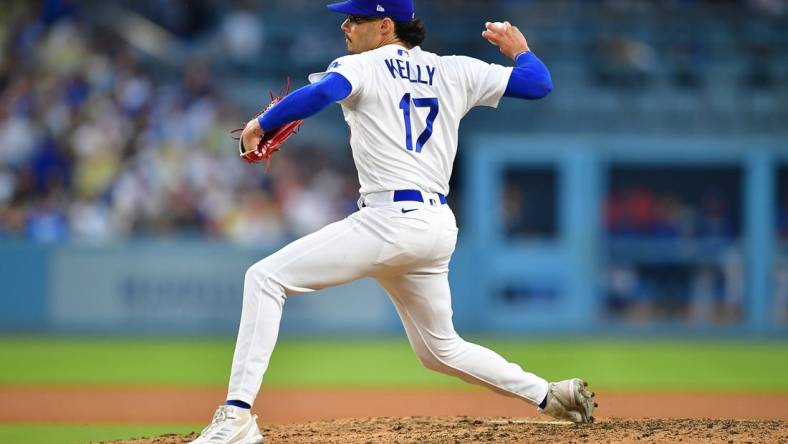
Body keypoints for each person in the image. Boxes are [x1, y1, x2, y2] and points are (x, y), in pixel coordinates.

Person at [191, 1, 594, 442]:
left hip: (388, 220)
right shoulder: (454, 69)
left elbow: (323, 93)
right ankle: (551, 395)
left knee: (264, 278)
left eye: (355, 18)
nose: (345, 25)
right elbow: (538, 84)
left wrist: (262, 122)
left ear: (385, 26)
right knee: (440, 350)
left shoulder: (360, 66)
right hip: (436, 227)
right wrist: (520, 49)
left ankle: (237, 417)